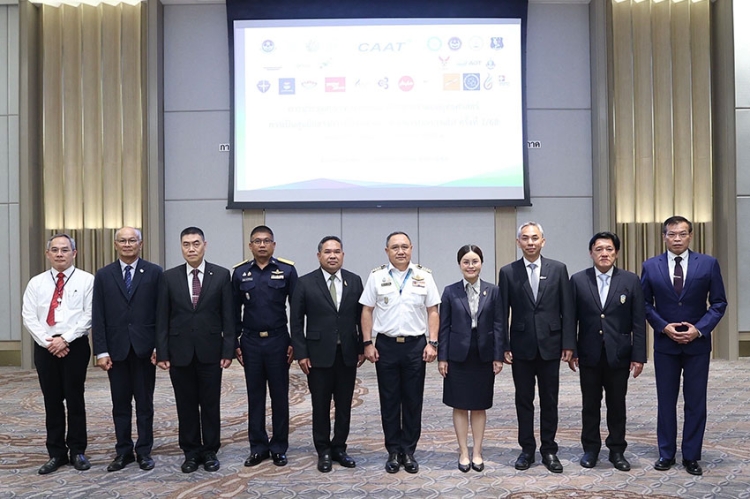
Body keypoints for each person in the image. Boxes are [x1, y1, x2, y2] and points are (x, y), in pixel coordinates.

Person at [641, 216, 727, 476]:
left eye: (682, 234)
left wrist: (699, 329)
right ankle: (666, 453)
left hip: (697, 345)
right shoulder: (650, 266)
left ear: (690, 235)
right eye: (671, 234)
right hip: (665, 345)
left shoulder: (708, 264)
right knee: (666, 401)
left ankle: (691, 455)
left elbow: (719, 303)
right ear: (664, 237)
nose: (677, 239)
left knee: (696, 402)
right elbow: (644, 303)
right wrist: (663, 326)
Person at [155, 227, 235, 473]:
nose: (191, 249)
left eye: (196, 243)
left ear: (205, 245)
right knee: (186, 405)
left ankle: (210, 451)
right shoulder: (169, 277)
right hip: (179, 352)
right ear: (181, 247)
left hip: (211, 352)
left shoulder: (221, 275)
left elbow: (229, 316)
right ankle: (190, 452)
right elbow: (162, 318)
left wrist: (228, 350)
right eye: (186, 244)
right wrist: (163, 352)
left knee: (210, 404)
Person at [360, 231, 440, 474]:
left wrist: (433, 342)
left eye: (404, 246)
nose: (400, 251)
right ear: (387, 251)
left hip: (416, 346)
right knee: (389, 400)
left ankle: (409, 451)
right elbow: (366, 310)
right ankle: (393, 451)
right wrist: (367, 343)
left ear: (411, 248)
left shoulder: (424, 276)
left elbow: (433, 311)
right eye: (395, 247)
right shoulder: (377, 276)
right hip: (386, 346)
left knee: (413, 400)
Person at [498, 221, 575, 473]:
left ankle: (549, 450)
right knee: (524, 400)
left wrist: (568, 343)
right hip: (520, 347)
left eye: (534, 238)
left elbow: (567, 309)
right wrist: (503, 345)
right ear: (518, 242)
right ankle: (527, 449)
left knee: (550, 400)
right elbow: (502, 313)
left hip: (551, 345)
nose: (530, 242)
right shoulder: (508, 272)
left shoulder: (558, 269)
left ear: (543, 241)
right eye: (525, 238)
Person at [568, 232, 646, 472]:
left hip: (619, 354)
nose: (604, 253)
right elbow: (571, 319)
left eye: (609, 249)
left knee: (617, 405)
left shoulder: (630, 280)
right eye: (599, 249)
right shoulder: (578, 280)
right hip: (588, 353)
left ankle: (617, 450)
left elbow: (638, 321)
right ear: (591, 253)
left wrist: (639, 356)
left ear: (616, 253)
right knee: (590, 405)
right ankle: (590, 449)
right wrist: (572, 349)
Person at [290, 236, 365, 473]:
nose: (332, 256)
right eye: (327, 252)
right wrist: (301, 354)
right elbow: (296, 322)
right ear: (319, 255)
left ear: (343, 255)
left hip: (347, 355)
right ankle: (323, 449)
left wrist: (362, 347)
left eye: (337, 251)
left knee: (344, 405)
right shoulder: (304, 283)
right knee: (320, 405)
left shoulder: (354, 280)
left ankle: (339, 448)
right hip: (317, 355)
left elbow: (361, 317)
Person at [22, 233, 95, 475]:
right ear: (48, 254)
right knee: (51, 400)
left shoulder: (87, 280)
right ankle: (56, 453)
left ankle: (77, 451)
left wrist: (65, 339)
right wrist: (49, 342)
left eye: (65, 250)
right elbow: (29, 316)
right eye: (55, 250)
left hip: (75, 346)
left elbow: (89, 315)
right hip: (45, 348)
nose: (60, 254)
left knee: (75, 399)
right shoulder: (36, 283)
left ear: (74, 253)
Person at [92, 227, 163, 472]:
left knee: (145, 405)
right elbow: (98, 315)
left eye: (132, 240)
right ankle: (123, 451)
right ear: (115, 244)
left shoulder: (155, 272)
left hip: (145, 350)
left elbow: (161, 313)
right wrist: (101, 351)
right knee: (120, 405)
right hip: (116, 350)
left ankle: (144, 451)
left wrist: (160, 346)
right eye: (122, 240)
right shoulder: (104, 275)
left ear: (140, 244)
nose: (127, 244)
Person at [233, 225, 298, 467]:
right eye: (257, 241)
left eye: (267, 240)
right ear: (250, 245)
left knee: (280, 396)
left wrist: (295, 342)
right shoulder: (240, 273)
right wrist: (234, 342)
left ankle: (279, 447)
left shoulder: (287, 270)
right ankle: (258, 447)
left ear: (274, 245)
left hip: (278, 341)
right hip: (250, 342)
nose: (262, 245)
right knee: (255, 396)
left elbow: (297, 309)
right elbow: (233, 310)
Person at [438, 244, 504, 473]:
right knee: (459, 405)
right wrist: (442, 358)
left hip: (483, 354)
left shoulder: (493, 291)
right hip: (457, 355)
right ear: (460, 265)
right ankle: (463, 452)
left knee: (478, 405)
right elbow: (443, 327)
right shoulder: (450, 291)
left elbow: (499, 325)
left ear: (481, 263)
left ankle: (477, 451)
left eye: (475, 261)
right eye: (466, 262)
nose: (470, 266)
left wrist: (498, 356)